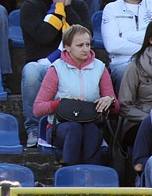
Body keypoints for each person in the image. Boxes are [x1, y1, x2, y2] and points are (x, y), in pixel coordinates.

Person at [19, 0, 91, 147]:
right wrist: (58, 7)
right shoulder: (31, 6)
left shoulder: (79, 5)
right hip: (44, 64)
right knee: (31, 71)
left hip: (74, 64)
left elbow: (85, 37)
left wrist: (67, 7)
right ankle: (34, 127)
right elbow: (44, 36)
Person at [33, 24, 120, 165]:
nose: (86, 49)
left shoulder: (100, 68)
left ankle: (92, 177)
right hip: (60, 127)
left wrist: (110, 101)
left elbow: (116, 108)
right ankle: (70, 177)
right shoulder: (56, 69)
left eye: (88, 44)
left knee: (91, 129)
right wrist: (64, 103)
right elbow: (38, 109)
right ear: (67, 47)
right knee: (74, 128)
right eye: (80, 45)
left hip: (91, 123)